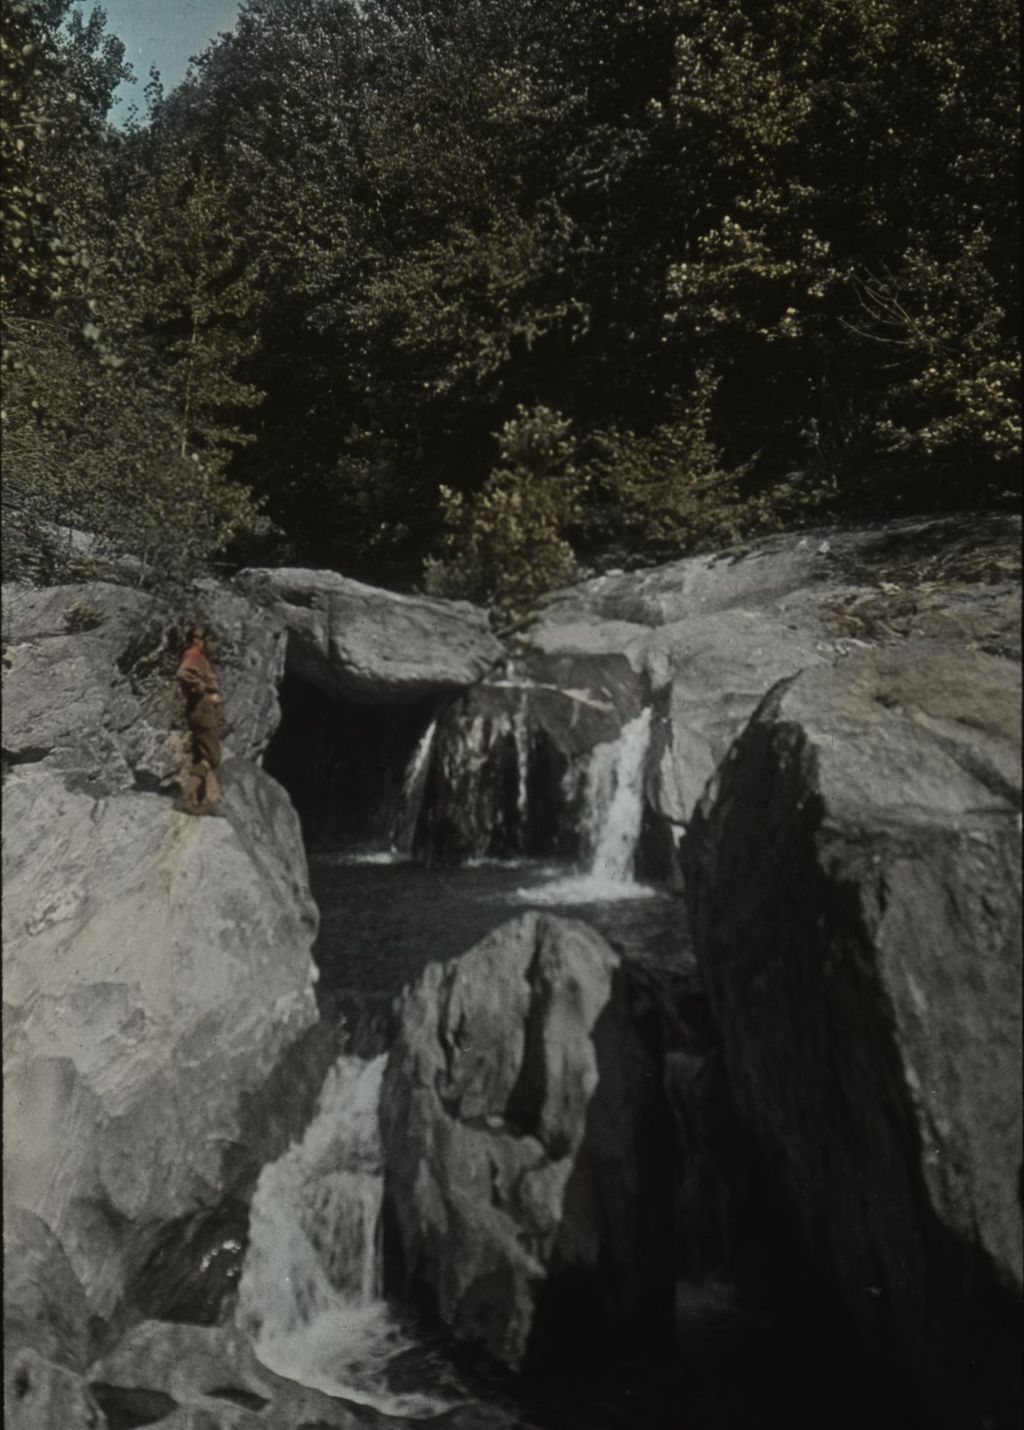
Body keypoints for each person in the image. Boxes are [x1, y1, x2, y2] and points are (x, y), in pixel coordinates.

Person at [176, 624, 226, 815]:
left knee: (203, 755)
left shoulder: (200, 658)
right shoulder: (194, 656)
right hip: (204, 713)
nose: (211, 645)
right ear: (199, 640)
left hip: (203, 712)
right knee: (211, 756)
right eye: (209, 640)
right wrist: (202, 688)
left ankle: (209, 800)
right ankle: (187, 796)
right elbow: (183, 674)